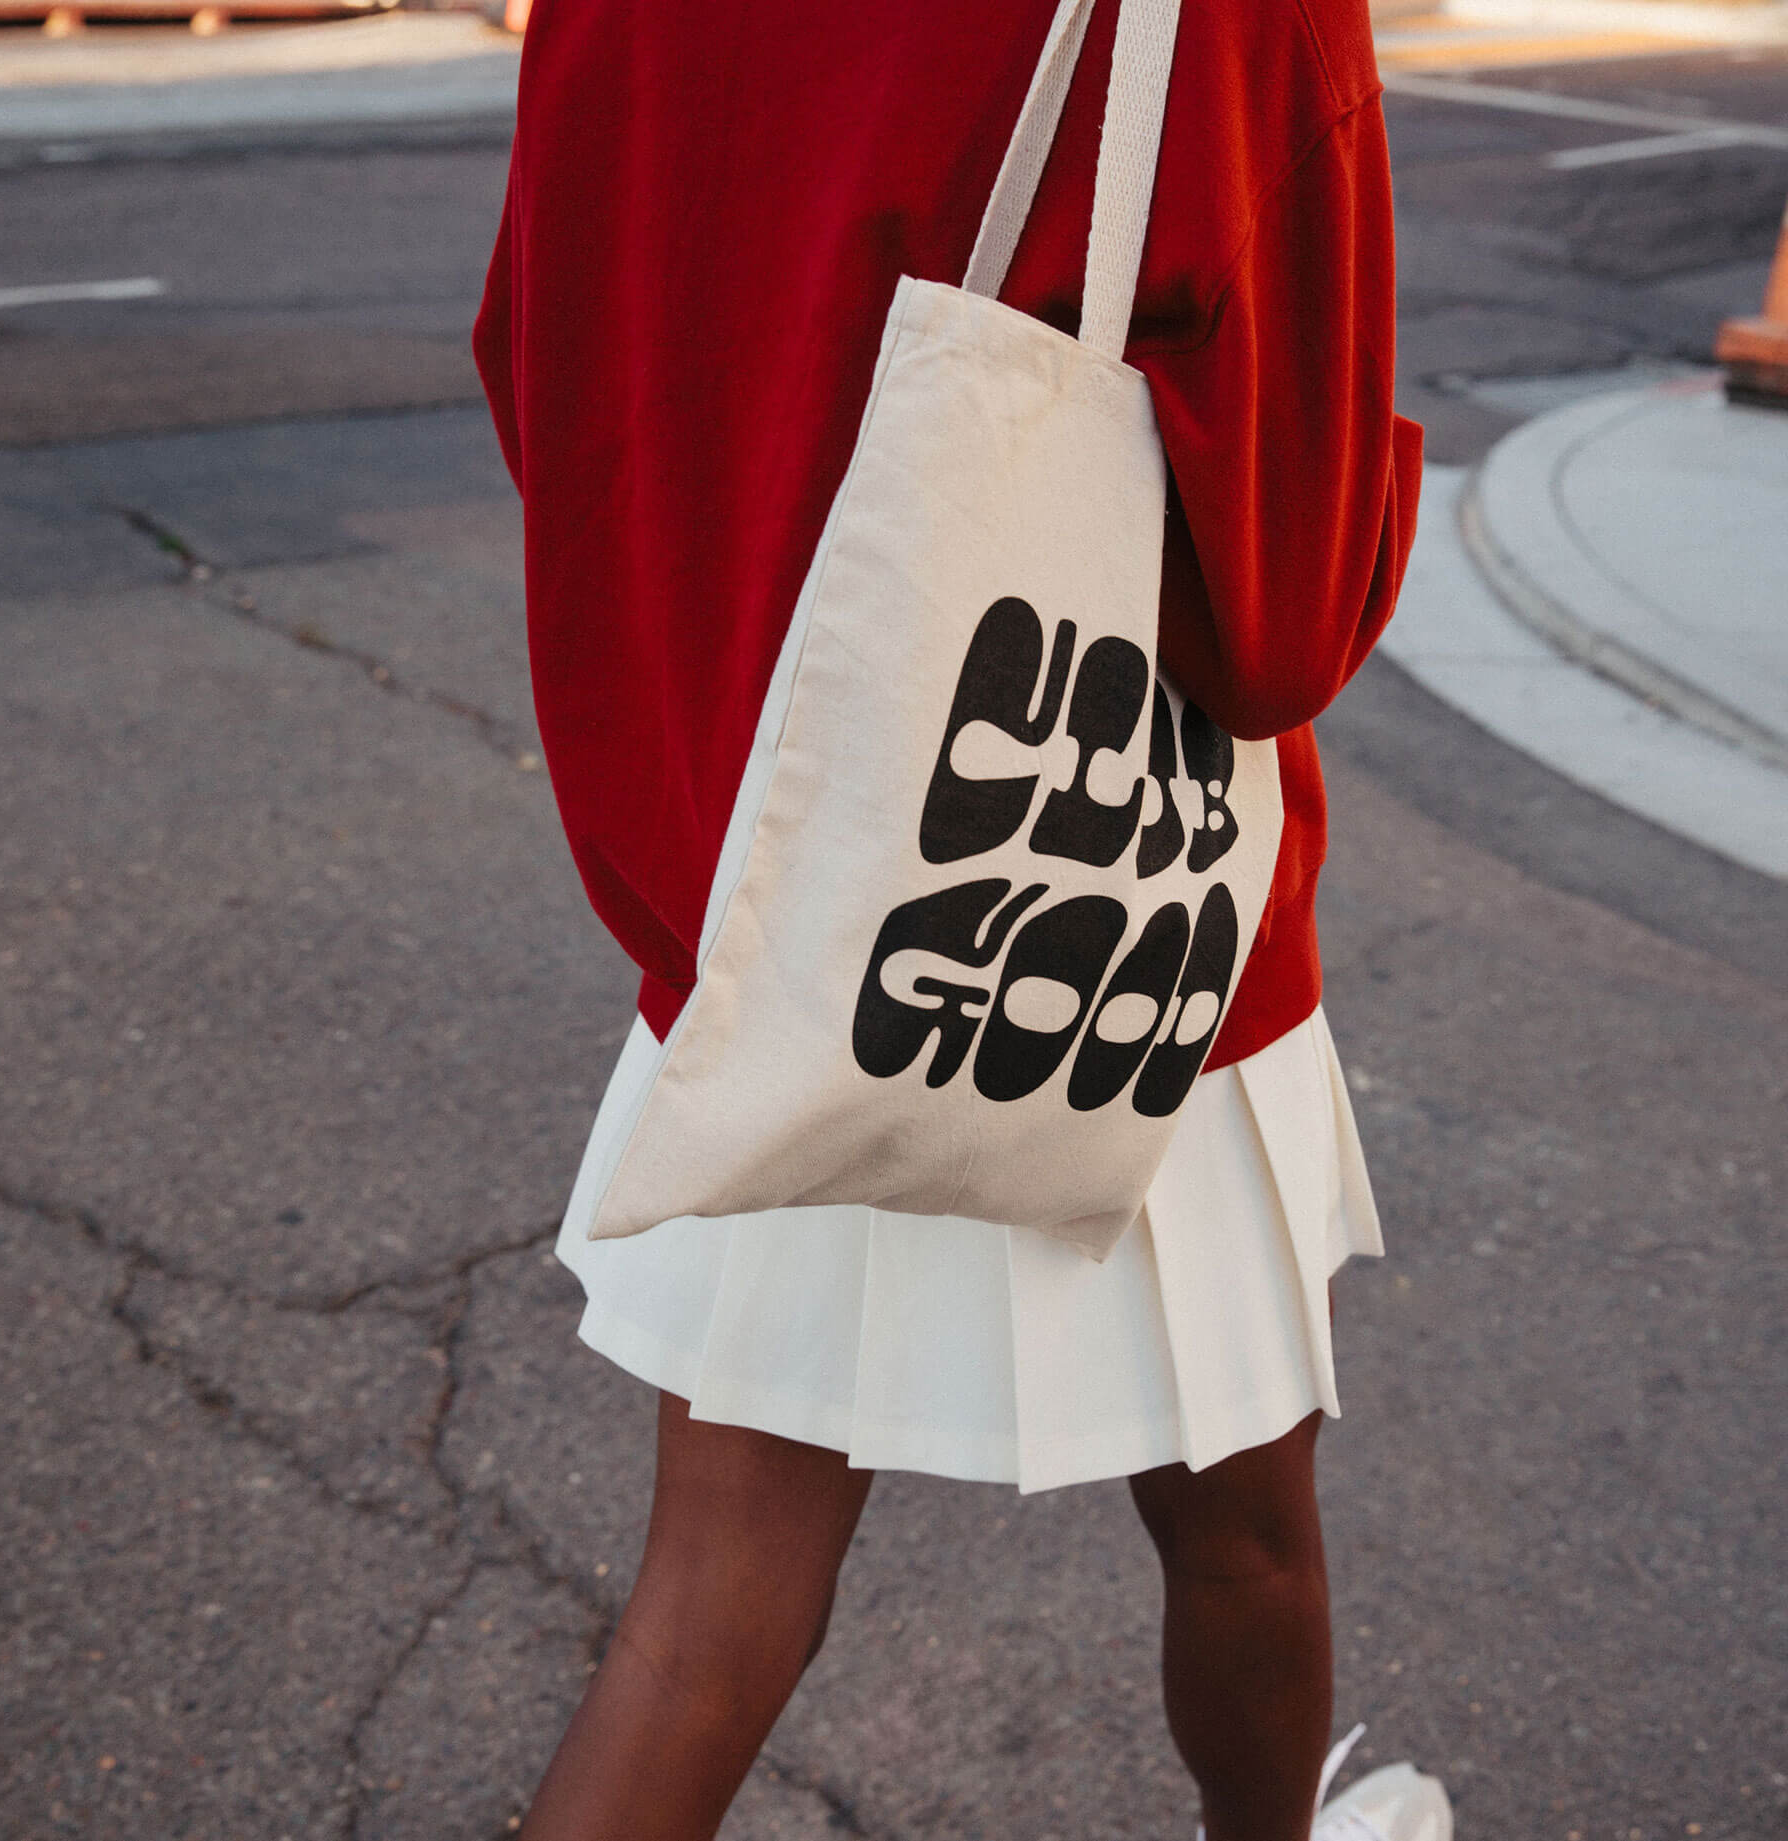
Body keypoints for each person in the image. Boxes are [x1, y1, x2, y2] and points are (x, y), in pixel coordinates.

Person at [473, 1, 1444, 1836]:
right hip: (1109, 918)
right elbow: (1291, 607)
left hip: (779, 886)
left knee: (701, 1622)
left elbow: (546, 361)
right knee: (1243, 1541)